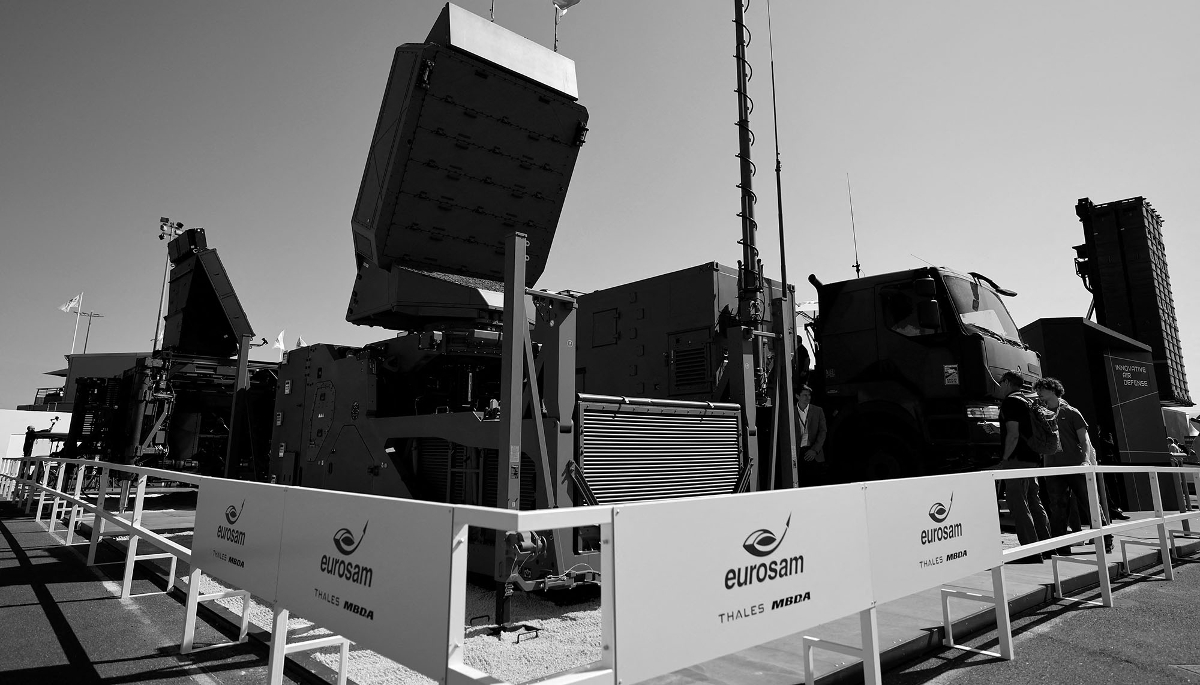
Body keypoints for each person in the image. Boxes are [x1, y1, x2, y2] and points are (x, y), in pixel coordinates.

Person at [1034, 377, 1112, 555]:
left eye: (1042, 389)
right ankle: (1061, 546)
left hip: (1076, 466)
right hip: (1052, 467)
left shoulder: (1071, 412)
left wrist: (1085, 460)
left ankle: (1106, 539)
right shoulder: (1040, 414)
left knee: (1089, 502)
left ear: (1053, 390)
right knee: (1058, 506)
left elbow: (1084, 439)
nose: (1039, 393)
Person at [997, 371, 1051, 556]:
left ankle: (1030, 552)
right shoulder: (1029, 401)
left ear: (1006, 382)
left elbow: (1013, 434)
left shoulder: (1010, 402)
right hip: (1033, 459)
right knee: (1034, 501)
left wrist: (1004, 459)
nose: (999, 386)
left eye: (1000, 382)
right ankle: (1047, 546)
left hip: (1016, 461)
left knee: (1018, 503)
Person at [796, 385, 828, 486]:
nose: (808, 397)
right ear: (797, 396)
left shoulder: (818, 411)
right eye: (804, 395)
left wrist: (814, 450)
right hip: (798, 452)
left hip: (814, 452)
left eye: (809, 395)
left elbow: (823, 432)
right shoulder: (791, 411)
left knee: (815, 482)